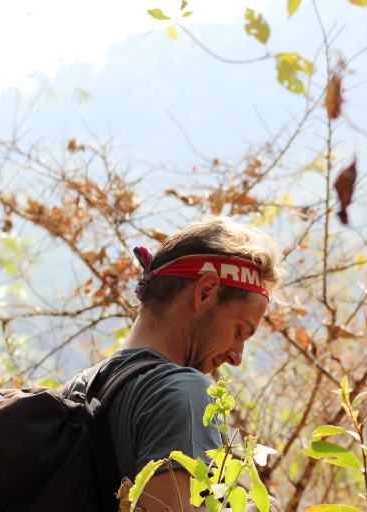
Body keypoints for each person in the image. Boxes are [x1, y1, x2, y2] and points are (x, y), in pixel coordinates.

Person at [61, 215, 284, 511]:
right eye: (240, 331)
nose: (236, 356)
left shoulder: (79, 389)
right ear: (205, 291)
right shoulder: (183, 392)